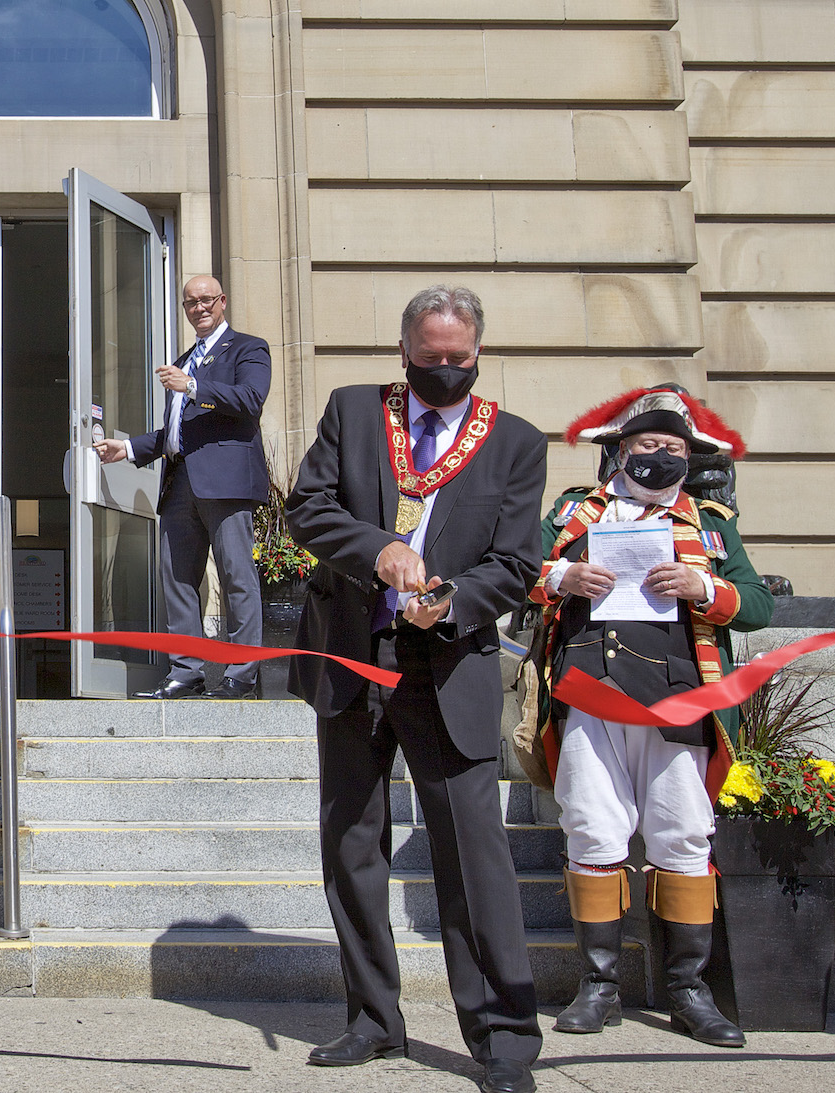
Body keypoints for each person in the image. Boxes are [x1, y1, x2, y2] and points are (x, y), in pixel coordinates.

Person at [283, 285, 547, 1093]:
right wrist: (377, 549)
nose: (443, 371)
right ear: (403, 350)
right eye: (428, 359)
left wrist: (453, 598)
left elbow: (514, 562)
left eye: (457, 360)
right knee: (352, 843)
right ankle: (372, 1019)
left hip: (447, 663)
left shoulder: (513, 441)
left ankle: (502, 1037)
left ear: (477, 352)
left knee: (473, 850)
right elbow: (307, 507)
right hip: (353, 659)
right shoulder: (354, 411)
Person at [528, 388, 770, 1047]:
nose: (659, 456)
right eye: (646, 444)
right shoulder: (574, 511)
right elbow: (519, 567)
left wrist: (704, 588)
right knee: (592, 831)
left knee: (683, 835)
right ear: (620, 449)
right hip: (591, 692)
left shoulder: (712, 523)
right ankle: (598, 983)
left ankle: (689, 990)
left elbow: (756, 603)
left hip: (676, 696)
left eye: (672, 447)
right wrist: (562, 577)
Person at [95, 274, 270, 699]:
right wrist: (130, 447)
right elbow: (177, 432)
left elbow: (251, 399)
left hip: (226, 483)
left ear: (223, 301)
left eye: (207, 300)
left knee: (235, 576)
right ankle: (186, 672)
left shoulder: (248, 348)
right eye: (191, 302)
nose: (199, 308)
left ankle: (241, 675)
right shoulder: (186, 358)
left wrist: (191, 385)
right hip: (179, 483)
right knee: (176, 579)